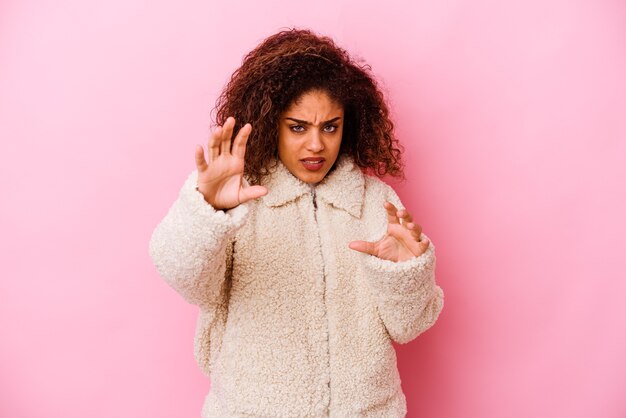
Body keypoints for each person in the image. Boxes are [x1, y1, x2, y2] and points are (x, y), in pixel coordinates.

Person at [149, 28, 444, 418]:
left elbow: (410, 326)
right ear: (272, 124)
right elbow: (185, 277)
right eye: (298, 127)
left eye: (330, 126)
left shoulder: (376, 202)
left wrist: (404, 272)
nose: (316, 145)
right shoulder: (238, 196)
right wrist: (208, 212)